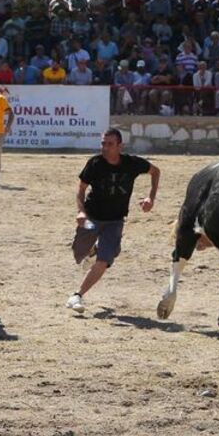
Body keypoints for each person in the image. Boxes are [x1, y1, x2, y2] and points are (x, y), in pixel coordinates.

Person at [66, 128, 160, 313]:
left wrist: (151, 198)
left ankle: (77, 295)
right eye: (103, 143)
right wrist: (81, 212)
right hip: (91, 219)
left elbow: (155, 172)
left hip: (115, 220)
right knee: (79, 253)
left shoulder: (132, 163)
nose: (105, 147)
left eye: (109, 144)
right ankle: (93, 250)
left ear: (119, 146)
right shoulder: (94, 163)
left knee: (105, 259)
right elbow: (81, 189)